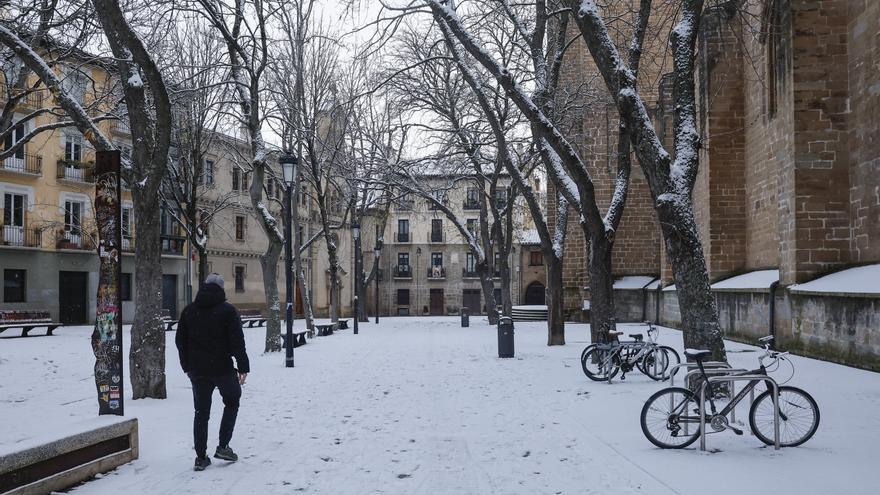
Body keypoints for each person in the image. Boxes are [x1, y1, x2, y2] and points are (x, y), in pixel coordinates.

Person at [175, 273, 250, 471]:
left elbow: (180, 341)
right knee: (232, 401)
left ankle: (200, 457)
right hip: (222, 369)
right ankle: (223, 446)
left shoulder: (189, 311)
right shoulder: (228, 311)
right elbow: (237, 342)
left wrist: (187, 366)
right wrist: (243, 367)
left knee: (201, 412)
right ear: (222, 289)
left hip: (198, 371)